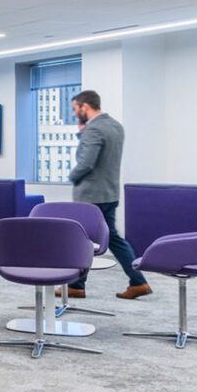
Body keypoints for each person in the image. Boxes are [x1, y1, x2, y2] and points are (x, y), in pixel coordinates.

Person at [64, 90, 149, 299]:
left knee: (81, 239)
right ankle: (137, 281)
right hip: (109, 193)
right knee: (112, 238)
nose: (75, 114)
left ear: (85, 106)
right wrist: (82, 132)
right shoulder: (115, 126)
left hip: (90, 196)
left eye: (75, 109)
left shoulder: (94, 129)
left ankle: (76, 285)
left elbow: (86, 162)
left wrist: (72, 176)